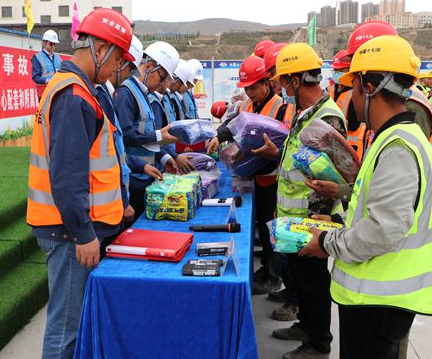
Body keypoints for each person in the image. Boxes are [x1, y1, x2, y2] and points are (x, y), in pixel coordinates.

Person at [299, 34, 432, 359]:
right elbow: (380, 210)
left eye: (353, 86)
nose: (350, 96)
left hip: (378, 302)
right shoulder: (396, 138)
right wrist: (337, 221)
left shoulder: (398, 147)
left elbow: (382, 230)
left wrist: (326, 242)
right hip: (377, 298)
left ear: (368, 87)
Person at [26, 8, 134, 359]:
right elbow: (67, 177)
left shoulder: (80, 91)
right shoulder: (74, 95)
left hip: (69, 229)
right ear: (100, 48)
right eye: (117, 59)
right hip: (68, 233)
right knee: (66, 329)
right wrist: (83, 233)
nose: (117, 69)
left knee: (72, 323)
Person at [253, 43, 346, 359]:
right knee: (300, 282)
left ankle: (318, 344)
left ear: (295, 80)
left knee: (313, 284)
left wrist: (316, 231)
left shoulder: (327, 117)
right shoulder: (306, 113)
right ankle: (306, 327)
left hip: (311, 221)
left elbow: (332, 175)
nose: (280, 87)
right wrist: (277, 154)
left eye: (283, 80)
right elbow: (303, 160)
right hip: (293, 217)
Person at [207, 56, 287, 298]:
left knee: (272, 228)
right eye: (247, 88)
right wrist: (218, 136)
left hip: (273, 178)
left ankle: (274, 277)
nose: (250, 92)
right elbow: (232, 125)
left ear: (266, 83)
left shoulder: (281, 107)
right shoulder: (248, 105)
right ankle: (266, 269)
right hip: (253, 175)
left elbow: (287, 143)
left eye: (253, 87)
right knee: (262, 224)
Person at [115, 41, 180, 220]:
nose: (162, 84)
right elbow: (126, 136)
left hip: (145, 175)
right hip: (133, 178)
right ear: (149, 66)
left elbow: (145, 137)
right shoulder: (126, 93)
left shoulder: (143, 94)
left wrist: (163, 157)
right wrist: (159, 136)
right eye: (162, 77)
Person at [147, 59, 196, 173]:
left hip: (168, 158)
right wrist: (173, 156)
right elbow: (157, 137)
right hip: (160, 163)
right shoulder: (155, 102)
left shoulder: (166, 99)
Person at [32, 30, 62, 99]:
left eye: (54, 44)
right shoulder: (37, 57)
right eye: (51, 44)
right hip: (45, 93)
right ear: (44, 43)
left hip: (57, 92)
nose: (53, 46)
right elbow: (35, 77)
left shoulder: (58, 57)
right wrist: (47, 81)